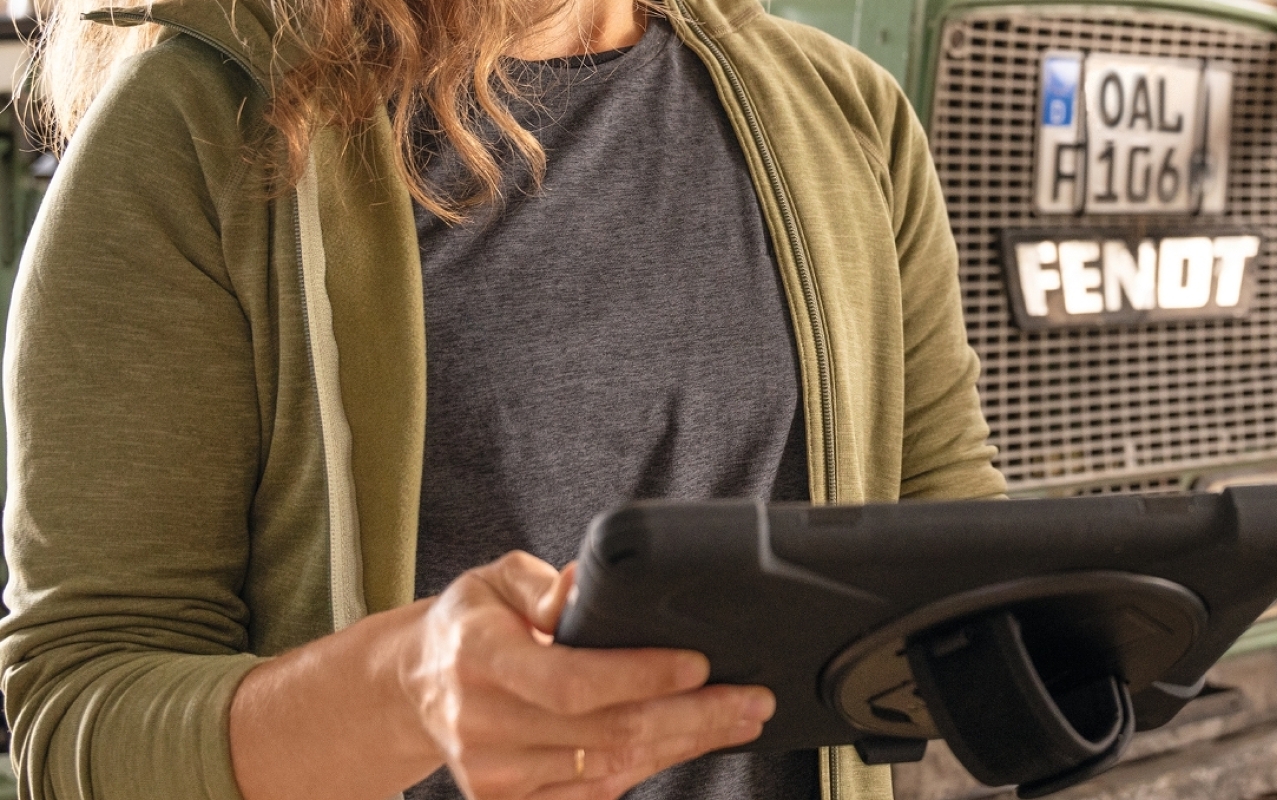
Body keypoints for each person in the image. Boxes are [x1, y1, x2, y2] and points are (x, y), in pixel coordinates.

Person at [1, 0, 1005, 796]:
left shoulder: (845, 120)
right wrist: (408, 687)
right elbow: (79, 717)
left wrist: (1095, 630)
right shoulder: (195, 129)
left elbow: (959, 557)